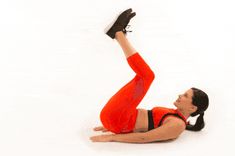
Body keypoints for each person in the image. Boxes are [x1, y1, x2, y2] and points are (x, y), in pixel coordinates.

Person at [90, 8, 209, 143]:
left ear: (193, 108)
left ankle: (118, 34)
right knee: (142, 77)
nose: (180, 95)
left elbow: (144, 137)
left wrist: (113, 137)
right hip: (119, 118)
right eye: (184, 93)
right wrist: (112, 125)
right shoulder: (177, 117)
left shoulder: (178, 125)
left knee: (147, 76)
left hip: (119, 121)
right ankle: (118, 34)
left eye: (186, 96)